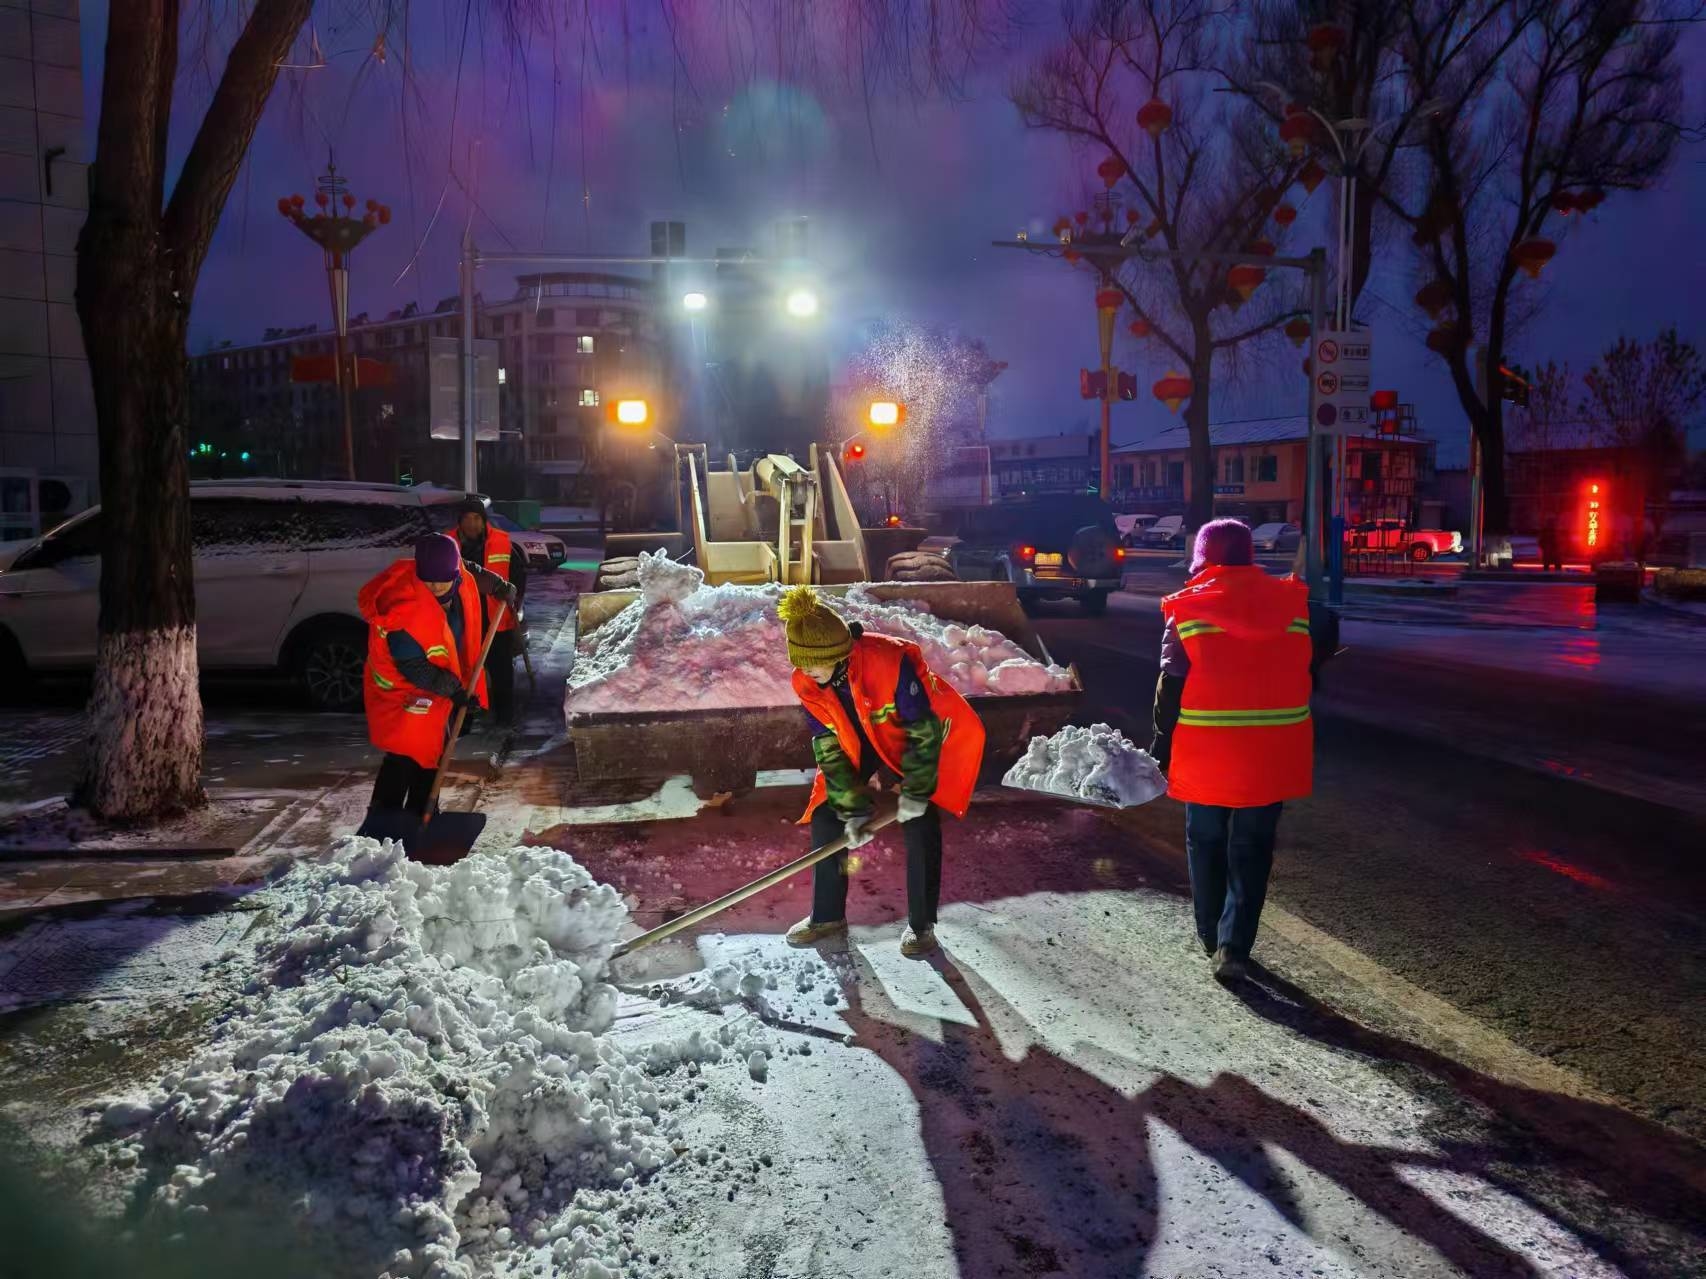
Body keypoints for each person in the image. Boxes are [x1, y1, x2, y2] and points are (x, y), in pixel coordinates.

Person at [779, 584, 986, 957]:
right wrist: (852, 807)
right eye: (801, 663)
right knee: (827, 816)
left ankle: (922, 926)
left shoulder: (887, 661)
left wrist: (916, 786)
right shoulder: (806, 681)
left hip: (909, 737)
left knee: (919, 819)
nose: (808, 671)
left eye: (815, 662)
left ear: (839, 653)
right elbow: (826, 744)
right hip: (858, 743)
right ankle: (826, 916)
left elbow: (922, 728)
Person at [1150, 519, 1313, 984]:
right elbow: (1304, 661)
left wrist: (1160, 745)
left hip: (1209, 747)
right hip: (1274, 746)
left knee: (1205, 841)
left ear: (1203, 559)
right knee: (1253, 848)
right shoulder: (1292, 601)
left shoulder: (1188, 607)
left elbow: (1172, 683)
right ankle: (1233, 948)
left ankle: (1208, 935)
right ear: (1248, 555)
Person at [359, 533, 517, 817]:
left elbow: (472, 572)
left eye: (442, 581)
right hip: (402, 691)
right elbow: (414, 666)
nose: (434, 588)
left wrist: (499, 586)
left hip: (436, 687)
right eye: (428, 581)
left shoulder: (457, 577)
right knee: (405, 753)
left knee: (435, 750)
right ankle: (385, 817)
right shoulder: (404, 609)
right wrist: (454, 690)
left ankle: (424, 811)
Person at [453, 497, 528, 727]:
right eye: (467, 519)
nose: (472, 524)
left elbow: (517, 576)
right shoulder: (449, 544)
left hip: (496, 620)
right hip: (463, 621)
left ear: (484, 520)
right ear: (460, 521)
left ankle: (504, 717)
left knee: (501, 670)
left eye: (476, 518)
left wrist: (513, 600)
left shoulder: (502, 543)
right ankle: (464, 719)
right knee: (465, 672)